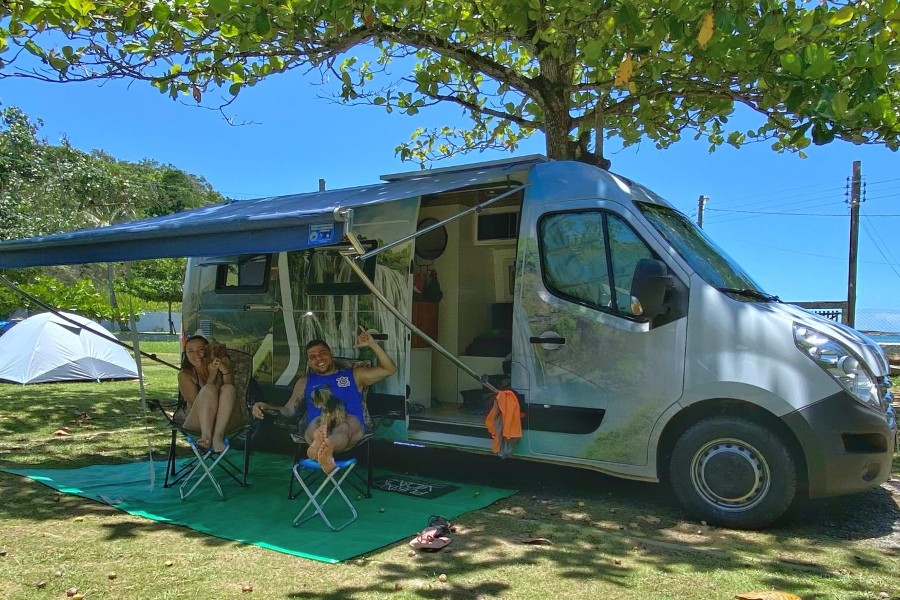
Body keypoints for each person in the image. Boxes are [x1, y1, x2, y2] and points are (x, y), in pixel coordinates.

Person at [251, 327, 397, 472]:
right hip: (317, 423)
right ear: (309, 362)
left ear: (331, 354)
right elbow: (289, 410)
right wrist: (266, 406)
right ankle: (324, 447)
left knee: (344, 427)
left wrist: (372, 344)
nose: (319, 359)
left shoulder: (354, 375)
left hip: (349, 422)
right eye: (313, 357)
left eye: (322, 354)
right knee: (318, 427)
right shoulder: (305, 381)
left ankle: (322, 447)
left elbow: (390, 369)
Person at [178, 335, 239, 453]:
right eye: (190, 351)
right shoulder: (185, 375)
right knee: (209, 390)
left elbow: (232, 395)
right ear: (186, 354)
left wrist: (225, 371)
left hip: (225, 422)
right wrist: (212, 376)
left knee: (228, 389)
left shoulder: (220, 365)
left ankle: (218, 436)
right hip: (199, 424)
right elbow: (200, 403)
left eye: (200, 350)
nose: (196, 355)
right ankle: (206, 437)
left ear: (208, 350)